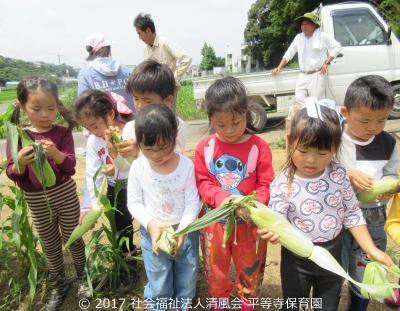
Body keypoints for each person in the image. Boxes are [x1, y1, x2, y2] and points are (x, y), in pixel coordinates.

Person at [257, 98, 393, 311]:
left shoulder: (339, 174)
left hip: (333, 255)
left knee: (327, 305)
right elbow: (278, 220)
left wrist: (371, 248)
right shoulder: (283, 183)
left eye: (322, 153)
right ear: (290, 140)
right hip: (296, 260)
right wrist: (273, 232)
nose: (311, 160)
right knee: (293, 304)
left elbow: (352, 214)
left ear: (335, 148)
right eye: (303, 151)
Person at [5, 77, 90, 311]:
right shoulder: (18, 136)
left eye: (51, 109)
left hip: (65, 194)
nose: (45, 115)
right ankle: (58, 283)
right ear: (21, 107)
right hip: (36, 199)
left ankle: (84, 276)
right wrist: (20, 163)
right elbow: (13, 173)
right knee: (50, 243)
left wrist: (56, 155)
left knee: (73, 237)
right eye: (37, 109)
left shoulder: (62, 134)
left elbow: (71, 166)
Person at [194, 76, 274, 310]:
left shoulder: (259, 147)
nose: (229, 130)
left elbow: (265, 185)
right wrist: (222, 198)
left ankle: (247, 303)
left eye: (236, 122)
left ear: (247, 114)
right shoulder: (205, 148)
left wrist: (251, 204)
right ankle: (219, 302)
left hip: (249, 225)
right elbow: (203, 182)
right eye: (220, 124)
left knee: (250, 269)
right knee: (216, 271)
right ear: (210, 118)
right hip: (214, 224)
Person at [127, 104, 200, 311]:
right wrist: (151, 225)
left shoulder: (186, 166)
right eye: (148, 149)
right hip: (153, 231)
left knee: (188, 269)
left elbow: (193, 202)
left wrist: (184, 229)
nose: (156, 156)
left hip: (184, 229)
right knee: (158, 272)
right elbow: (134, 202)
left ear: (175, 136)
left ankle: (182, 303)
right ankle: (159, 303)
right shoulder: (138, 167)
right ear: (139, 143)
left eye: (163, 148)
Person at [336, 75, 399, 311]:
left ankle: (358, 305)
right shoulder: (334, 140)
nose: (373, 127)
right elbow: (321, 170)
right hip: (339, 216)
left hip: (373, 216)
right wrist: (348, 174)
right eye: (365, 121)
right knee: (336, 268)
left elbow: (392, 174)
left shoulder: (388, 143)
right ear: (345, 112)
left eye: (381, 120)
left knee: (365, 268)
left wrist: (389, 187)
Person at [73, 90, 138, 294]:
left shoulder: (131, 132)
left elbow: (140, 163)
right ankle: (129, 268)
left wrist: (116, 169)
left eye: (95, 125)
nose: (93, 132)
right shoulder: (94, 141)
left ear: (110, 113)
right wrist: (87, 208)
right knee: (121, 229)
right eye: (87, 128)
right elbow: (93, 175)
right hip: (115, 189)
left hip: (137, 187)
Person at [108, 59, 187, 172]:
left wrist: (139, 150)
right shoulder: (130, 127)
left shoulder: (176, 125)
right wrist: (113, 150)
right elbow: (125, 167)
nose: (139, 106)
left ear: (168, 100)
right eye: (136, 99)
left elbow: (173, 160)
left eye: (148, 101)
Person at [271, 12, 341, 105]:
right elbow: (289, 53)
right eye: (302, 24)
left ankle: (317, 115)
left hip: (317, 74)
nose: (304, 26)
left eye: (307, 23)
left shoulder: (322, 36)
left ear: (314, 25)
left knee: (318, 101)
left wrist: (327, 62)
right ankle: (312, 109)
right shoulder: (298, 38)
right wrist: (279, 67)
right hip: (303, 74)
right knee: (299, 98)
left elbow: (337, 46)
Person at [133, 13, 192, 114]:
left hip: (167, 89)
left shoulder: (164, 43)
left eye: (139, 33)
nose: (139, 38)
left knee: (168, 116)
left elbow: (186, 59)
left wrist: (173, 79)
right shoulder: (145, 49)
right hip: (152, 90)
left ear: (148, 31)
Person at [77, 33, 135, 113]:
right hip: (129, 121)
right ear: (108, 49)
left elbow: (83, 105)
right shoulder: (124, 69)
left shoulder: (86, 73)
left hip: (103, 123)